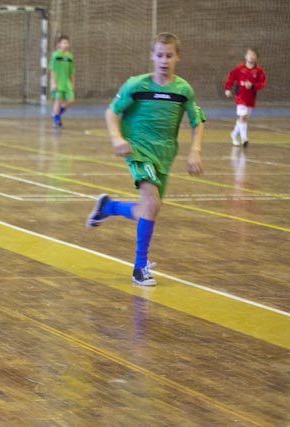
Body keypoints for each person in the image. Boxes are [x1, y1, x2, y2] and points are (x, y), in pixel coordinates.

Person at [86, 32, 205, 286]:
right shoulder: (136, 85)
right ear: (152, 56)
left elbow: (198, 121)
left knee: (147, 209)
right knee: (152, 202)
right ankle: (139, 267)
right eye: (159, 55)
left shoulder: (183, 90)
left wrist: (195, 150)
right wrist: (116, 138)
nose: (164, 60)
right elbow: (111, 112)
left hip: (165, 155)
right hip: (138, 151)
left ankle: (108, 207)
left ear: (178, 57)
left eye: (169, 55)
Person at [224, 48, 266, 147]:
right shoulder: (239, 68)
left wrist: (253, 85)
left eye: (253, 55)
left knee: (244, 118)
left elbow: (262, 83)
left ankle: (234, 134)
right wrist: (227, 88)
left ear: (256, 58)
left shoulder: (259, 70)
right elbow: (231, 77)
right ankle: (244, 139)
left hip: (251, 97)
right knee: (243, 116)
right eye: (249, 54)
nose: (251, 56)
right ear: (246, 56)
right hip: (240, 96)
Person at [49, 35, 76, 128]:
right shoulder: (56, 55)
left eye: (67, 43)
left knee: (71, 100)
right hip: (58, 82)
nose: (66, 44)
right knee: (58, 100)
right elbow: (52, 69)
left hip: (67, 82)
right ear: (59, 44)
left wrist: (72, 83)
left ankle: (56, 113)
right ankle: (56, 120)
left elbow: (72, 71)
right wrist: (53, 83)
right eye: (64, 43)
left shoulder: (70, 56)